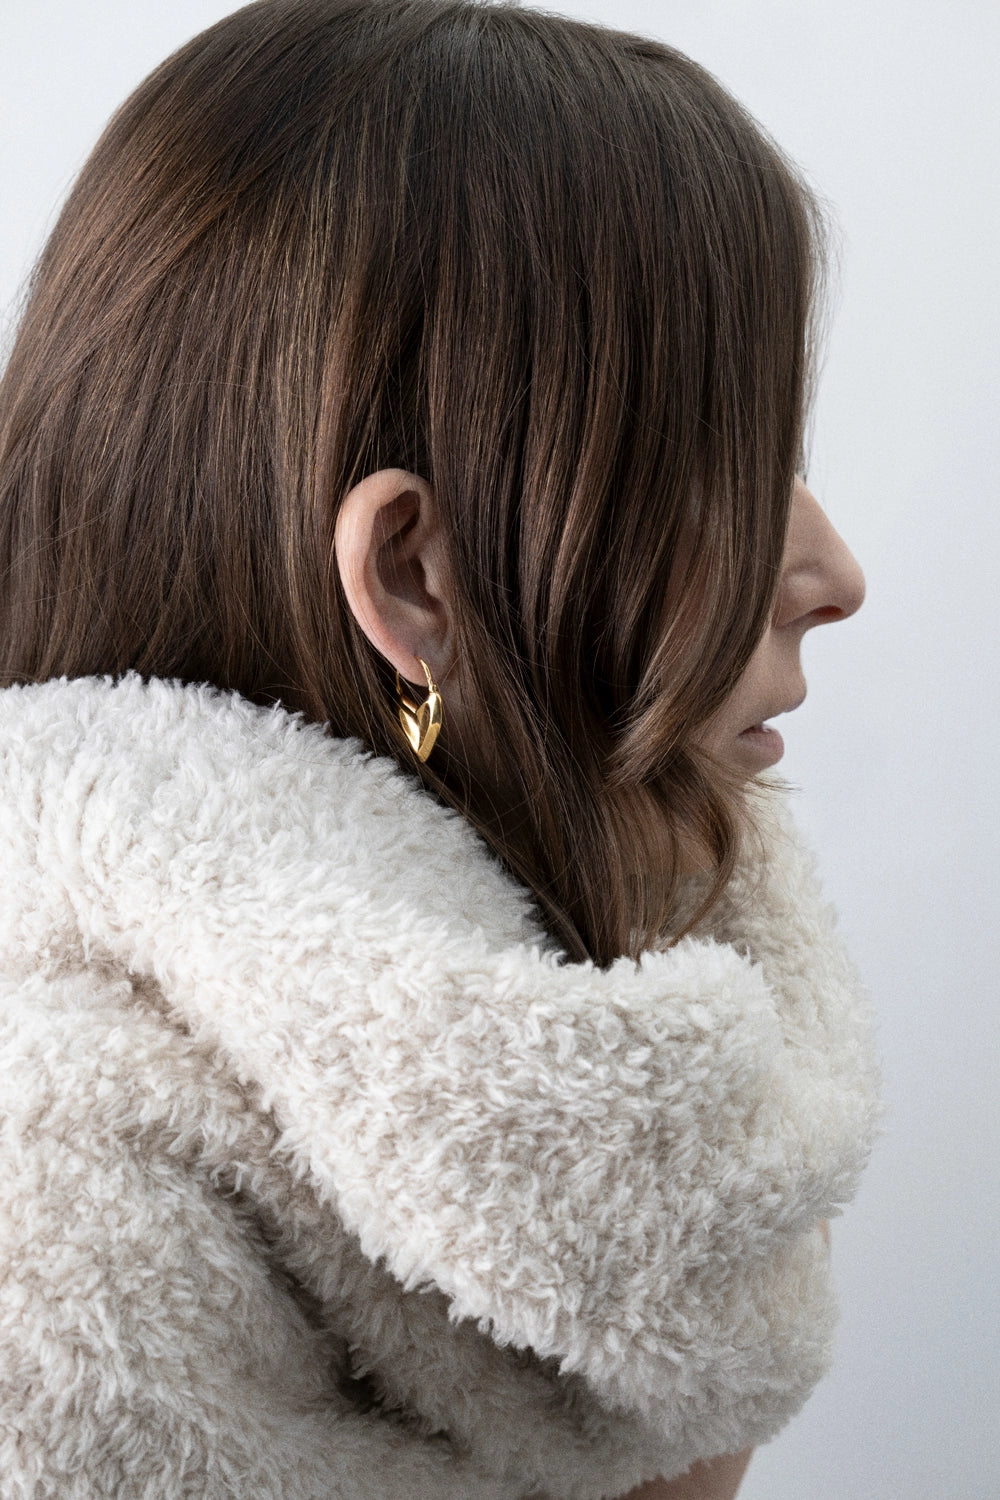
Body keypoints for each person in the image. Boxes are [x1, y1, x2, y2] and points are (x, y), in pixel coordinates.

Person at [0, 1, 880, 1496]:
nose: (836, 574)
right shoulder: (55, 1249)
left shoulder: (597, 1090)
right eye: (732, 464)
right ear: (415, 576)